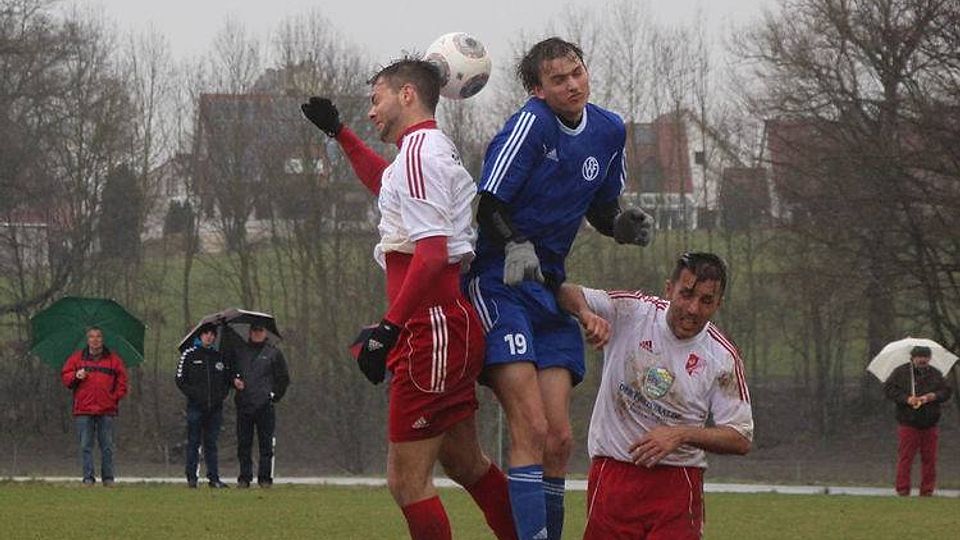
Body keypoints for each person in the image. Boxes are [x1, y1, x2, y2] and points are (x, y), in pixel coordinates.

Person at [301, 57, 516, 540]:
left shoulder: (420, 155)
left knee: (405, 481)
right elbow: (385, 183)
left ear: (406, 96)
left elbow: (432, 252)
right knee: (466, 464)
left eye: (375, 99)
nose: (371, 112)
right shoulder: (420, 153)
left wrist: (389, 327)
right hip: (443, 326)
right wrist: (340, 134)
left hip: (431, 329)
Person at [463, 37, 653, 540]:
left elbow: (601, 205)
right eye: (558, 80)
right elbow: (489, 205)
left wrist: (621, 224)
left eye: (577, 73)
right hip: (498, 283)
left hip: (547, 288)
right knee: (532, 430)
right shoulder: (531, 124)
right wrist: (515, 244)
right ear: (537, 90)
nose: (572, 85)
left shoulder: (609, 129)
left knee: (561, 439)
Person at [556, 252, 753, 539]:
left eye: (706, 301)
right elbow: (565, 292)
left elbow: (741, 437)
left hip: (677, 483)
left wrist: (681, 434)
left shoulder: (722, 357)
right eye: (686, 294)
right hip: (615, 475)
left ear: (718, 304)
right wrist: (586, 314)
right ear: (669, 289)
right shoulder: (632, 311)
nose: (694, 309)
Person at [60, 326, 129, 486]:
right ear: (87, 339)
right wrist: (76, 376)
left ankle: (108, 478)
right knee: (85, 446)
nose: (95, 340)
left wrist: (113, 398)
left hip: (107, 409)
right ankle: (88, 478)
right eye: (92, 336)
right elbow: (65, 376)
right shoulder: (77, 359)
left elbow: (122, 383)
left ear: (102, 339)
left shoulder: (114, 360)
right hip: (83, 409)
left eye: (98, 336)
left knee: (107, 446)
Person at [882, 345, 953, 496]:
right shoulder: (901, 372)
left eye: (925, 357)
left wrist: (932, 396)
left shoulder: (936, 373)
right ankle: (902, 489)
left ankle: (927, 490)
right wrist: (907, 399)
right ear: (913, 358)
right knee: (906, 457)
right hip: (908, 421)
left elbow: (946, 391)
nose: (922, 360)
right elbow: (889, 390)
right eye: (919, 357)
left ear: (929, 358)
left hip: (930, 422)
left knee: (930, 459)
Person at [230, 323, 290, 488]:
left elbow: (283, 379)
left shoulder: (273, 353)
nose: (257, 334)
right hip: (244, 404)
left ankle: (265, 479)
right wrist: (234, 381)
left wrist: (273, 396)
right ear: (250, 333)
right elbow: (232, 372)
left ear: (265, 333)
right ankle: (244, 477)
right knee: (244, 444)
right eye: (254, 331)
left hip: (265, 406)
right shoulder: (241, 351)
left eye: (260, 331)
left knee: (266, 445)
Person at [176, 322, 232, 488]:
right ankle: (192, 478)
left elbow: (226, 381)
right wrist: (195, 395)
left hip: (215, 408)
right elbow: (179, 379)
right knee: (193, 442)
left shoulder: (218, 357)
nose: (209, 336)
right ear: (200, 336)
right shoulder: (189, 355)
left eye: (212, 334)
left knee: (212, 444)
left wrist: (220, 397)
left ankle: (213, 478)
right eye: (206, 333)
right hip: (195, 407)